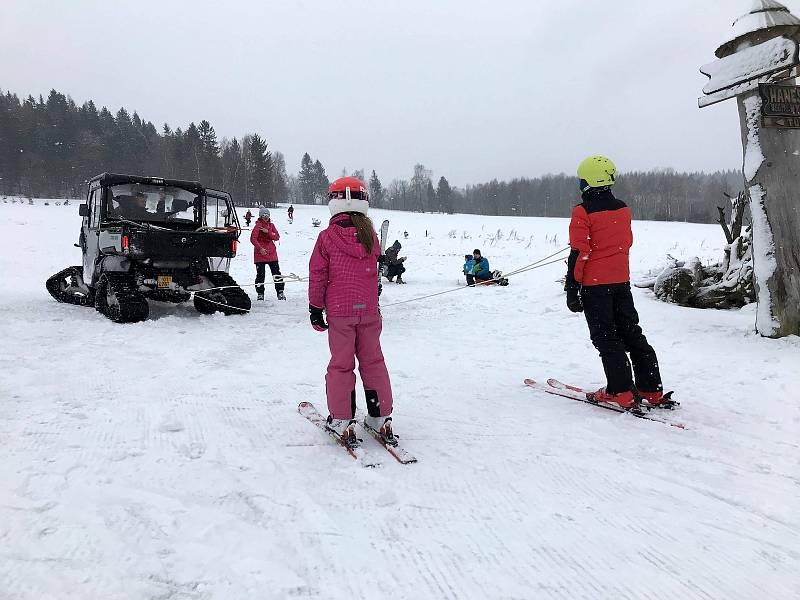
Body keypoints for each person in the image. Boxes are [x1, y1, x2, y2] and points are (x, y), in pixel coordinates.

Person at [565, 155, 665, 409]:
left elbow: (580, 252)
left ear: (586, 181)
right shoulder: (623, 208)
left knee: (606, 337)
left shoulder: (582, 211)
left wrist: (572, 288)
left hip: (595, 286)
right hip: (621, 283)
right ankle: (650, 389)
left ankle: (620, 392)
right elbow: (624, 243)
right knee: (632, 333)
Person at [308, 176, 395, 448]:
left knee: (341, 365)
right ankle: (380, 416)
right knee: (373, 362)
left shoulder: (327, 237)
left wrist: (315, 307)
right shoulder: (371, 237)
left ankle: (343, 420)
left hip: (340, 313)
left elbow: (318, 274)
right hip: (368, 311)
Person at [250, 207, 285, 301]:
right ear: (260, 216)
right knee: (260, 275)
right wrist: (260, 249)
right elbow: (253, 239)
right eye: (264, 215)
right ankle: (260, 293)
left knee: (276, 273)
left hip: (272, 254)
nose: (266, 217)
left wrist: (268, 232)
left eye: (267, 215)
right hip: (260, 254)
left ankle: (280, 292)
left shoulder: (271, 225)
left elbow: (277, 237)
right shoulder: (258, 226)